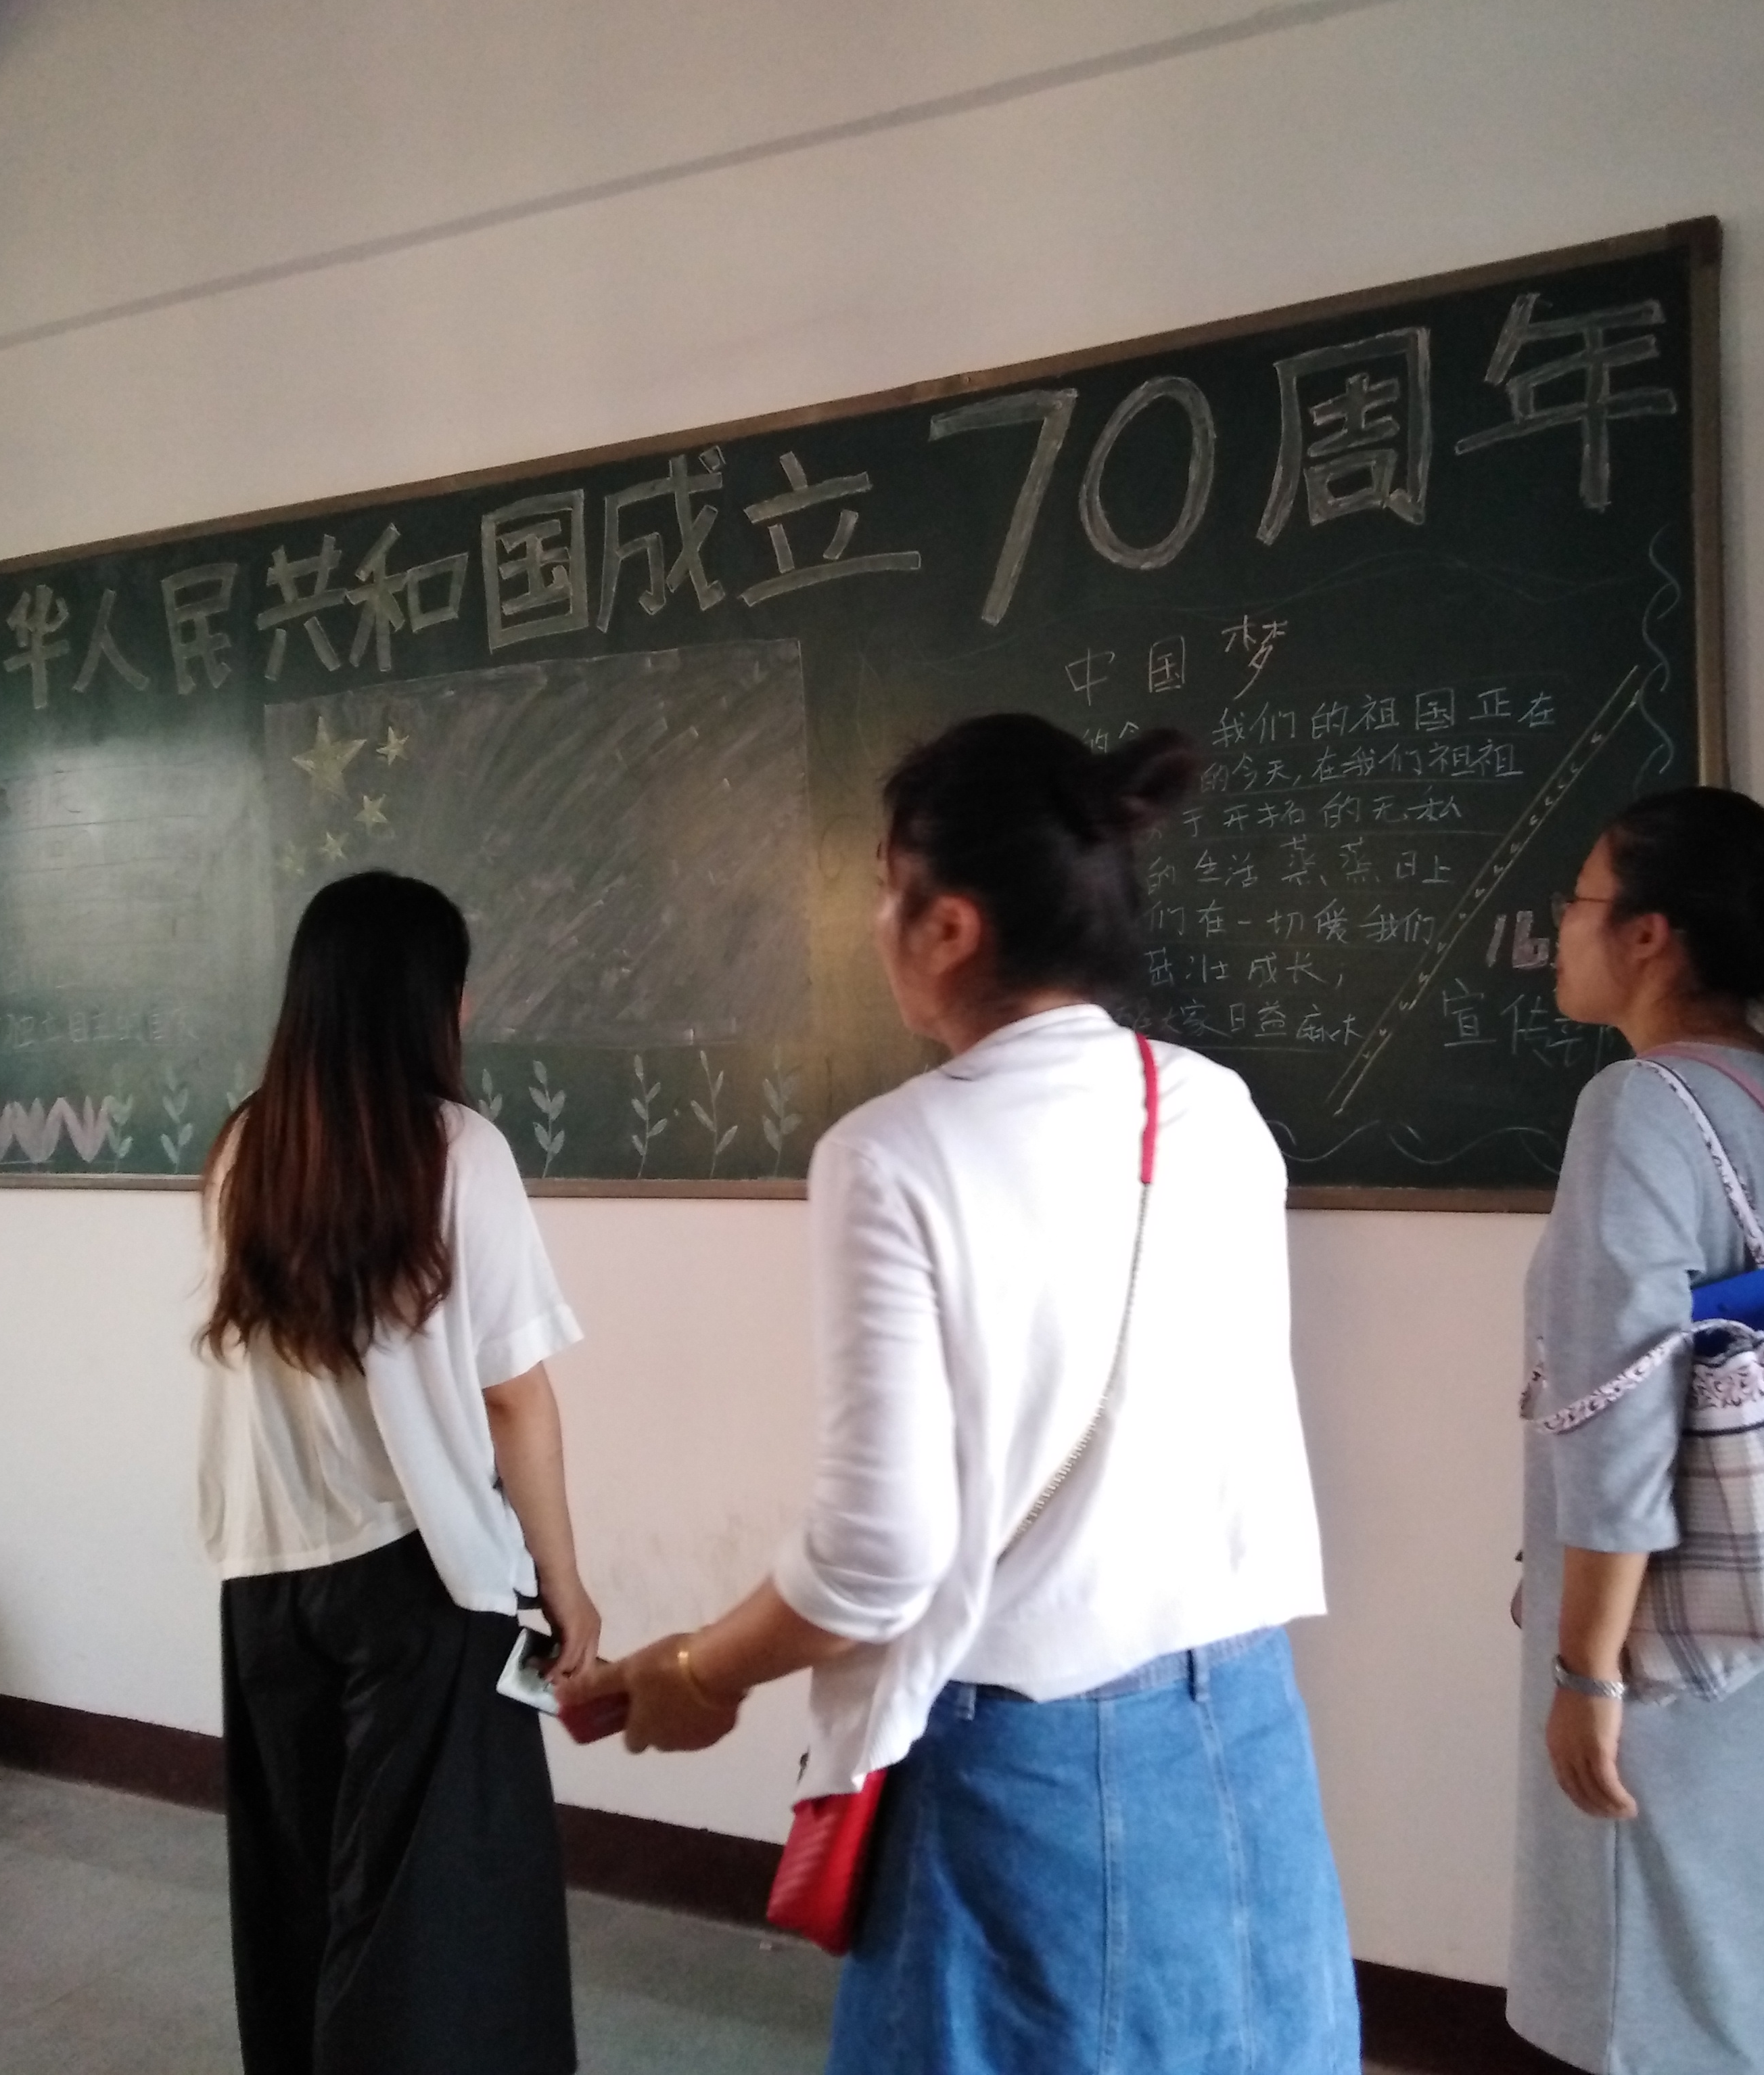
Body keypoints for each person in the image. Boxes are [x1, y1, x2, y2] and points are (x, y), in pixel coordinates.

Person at [578, 714, 1360, 2075]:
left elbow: (874, 1562)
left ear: (949, 928)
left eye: (887, 889)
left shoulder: (892, 1155)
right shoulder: (1213, 1109)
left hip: (1032, 1778)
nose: (873, 921)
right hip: (1243, 1731)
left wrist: (700, 1673)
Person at [1510, 786, 1764, 2075]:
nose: (1558, 930)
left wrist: (1586, 1671)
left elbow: (1624, 1413)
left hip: (1676, 1657)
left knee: (1673, 2015)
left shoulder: (1645, 1107)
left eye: (1576, 901)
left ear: (1650, 935)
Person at [196, 869, 598, 2075]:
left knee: (301, 1890)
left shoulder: (245, 1147)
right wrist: (565, 1586)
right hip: (422, 1581)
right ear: (435, 1003)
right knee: (433, 1928)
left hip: (267, 1578)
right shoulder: (460, 1149)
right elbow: (516, 1397)